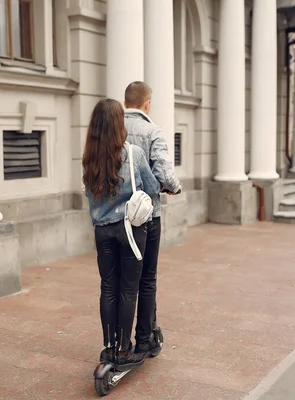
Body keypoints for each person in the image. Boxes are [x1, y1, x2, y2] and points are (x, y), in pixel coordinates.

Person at [83, 98, 161, 370]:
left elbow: (89, 194)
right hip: (130, 231)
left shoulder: (89, 158)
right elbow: (151, 187)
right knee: (129, 290)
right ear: (119, 124)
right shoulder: (133, 153)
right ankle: (125, 350)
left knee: (108, 288)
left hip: (102, 231)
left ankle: (109, 347)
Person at [123, 81, 182, 358]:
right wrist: (174, 186)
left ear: (125, 102)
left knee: (121, 281)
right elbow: (164, 174)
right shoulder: (153, 131)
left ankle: (120, 343)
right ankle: (144, 339)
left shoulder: (111, 128)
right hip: (146, 216)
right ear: (147, 103)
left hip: (115, 216)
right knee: (147, 278)